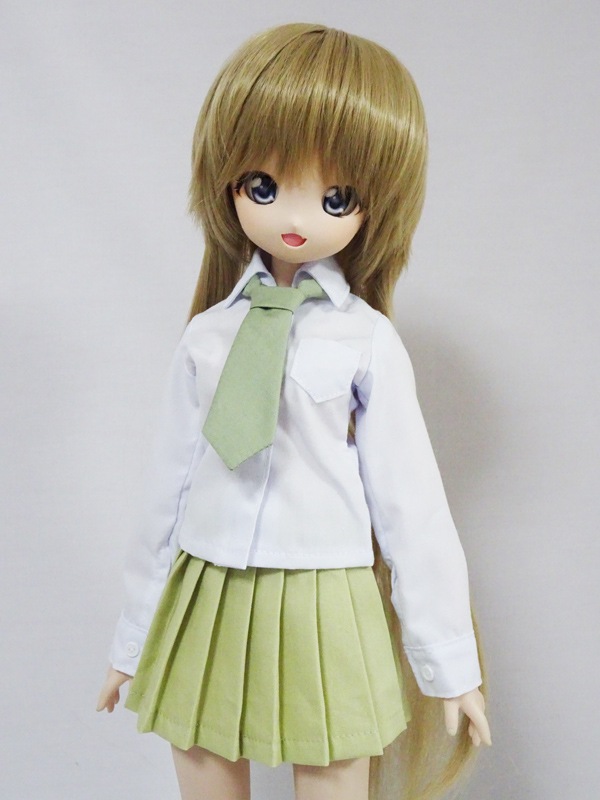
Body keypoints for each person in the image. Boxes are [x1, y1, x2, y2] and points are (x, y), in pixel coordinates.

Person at [97, 22, 491, 800]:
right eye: (264, 185)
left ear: (374, 205)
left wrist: (450, 665)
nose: (296, 216)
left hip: (325, 594)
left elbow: (410, 506)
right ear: (227, 183)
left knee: (334, 769)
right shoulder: (208, 338)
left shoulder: (365, 342)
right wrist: (132, 639)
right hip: (209, 588)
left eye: (336, 197)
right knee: (202, 761)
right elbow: (165, 494)